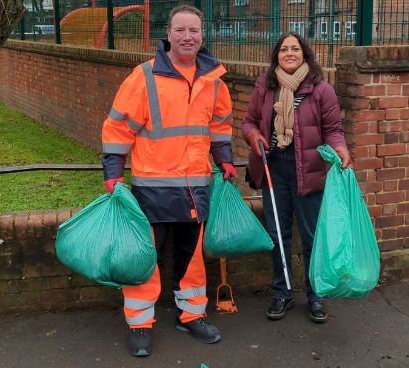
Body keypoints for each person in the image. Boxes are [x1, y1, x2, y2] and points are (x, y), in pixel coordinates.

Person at [100, 5, 236, 357]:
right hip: (153, 188)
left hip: (196, 188)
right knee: (147, 258)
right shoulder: (144, 77)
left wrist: (226, 161)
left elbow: (219, 126)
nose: (187, 37)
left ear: (202, 34)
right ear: (169, 34)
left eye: (194, 30)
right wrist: (113, 173)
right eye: (180, 30)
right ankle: (140, 323)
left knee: (191, 260)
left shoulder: (214, 80)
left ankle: (190, 315)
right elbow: (118, 128)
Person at [241, 32, 352, 324]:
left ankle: (315, 296)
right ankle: (283, 292)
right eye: (283, 49)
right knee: (277, 234)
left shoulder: (321, 89)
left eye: (295, 48)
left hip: (309, 168)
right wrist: (253, 136)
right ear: (276, 55)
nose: (289, 53)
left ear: (304, 54)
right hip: (273, 167)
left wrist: (340, 148)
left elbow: (333, 129)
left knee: (311, 236)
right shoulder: (265, 87)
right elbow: (249, 122)